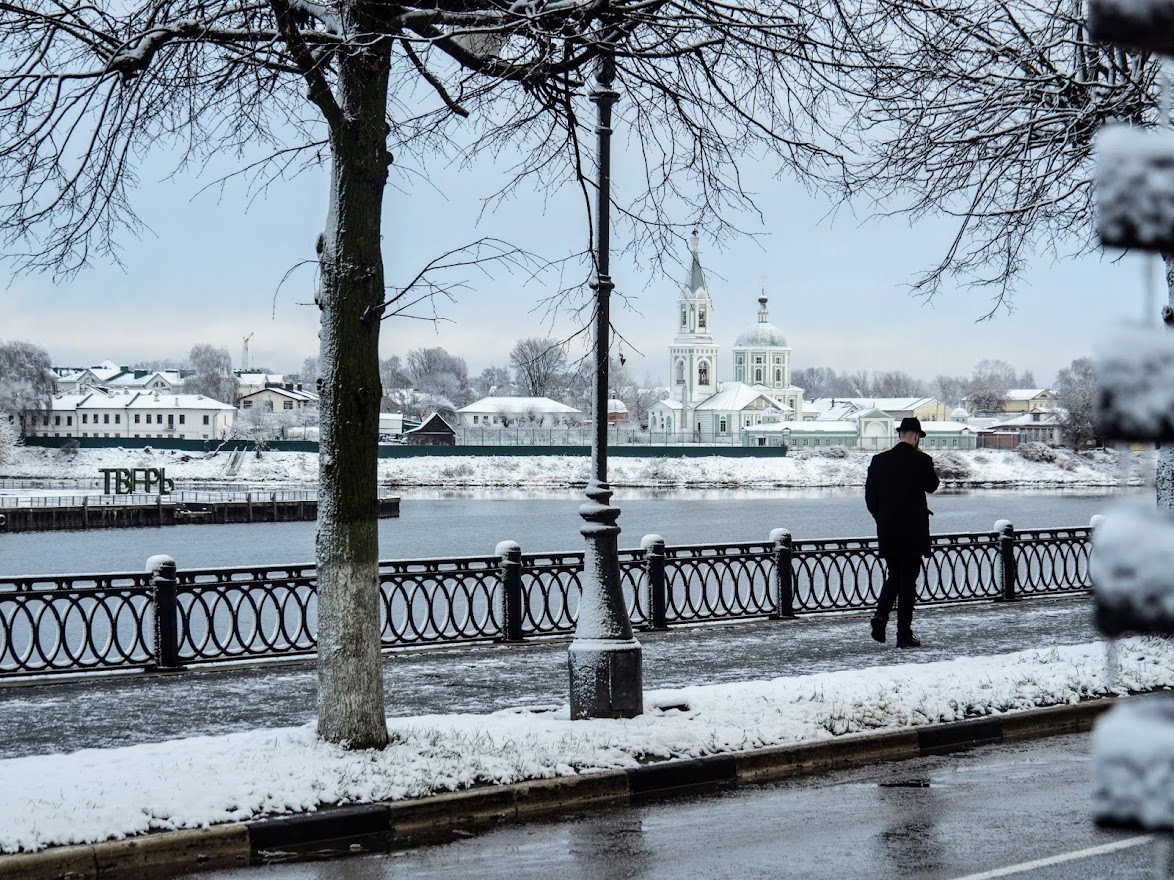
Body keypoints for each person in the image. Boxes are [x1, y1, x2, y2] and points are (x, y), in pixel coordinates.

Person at [865, 416, 940, 648]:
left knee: (895, 576)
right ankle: (903, 635)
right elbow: (933, 486)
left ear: (900, 435)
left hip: (888, 531)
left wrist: (884, 519)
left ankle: (881, 616)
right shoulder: (922, 460)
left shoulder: (878, 461)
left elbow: (870, 499)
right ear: (916, 437)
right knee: (908, 583)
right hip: (914, 532)